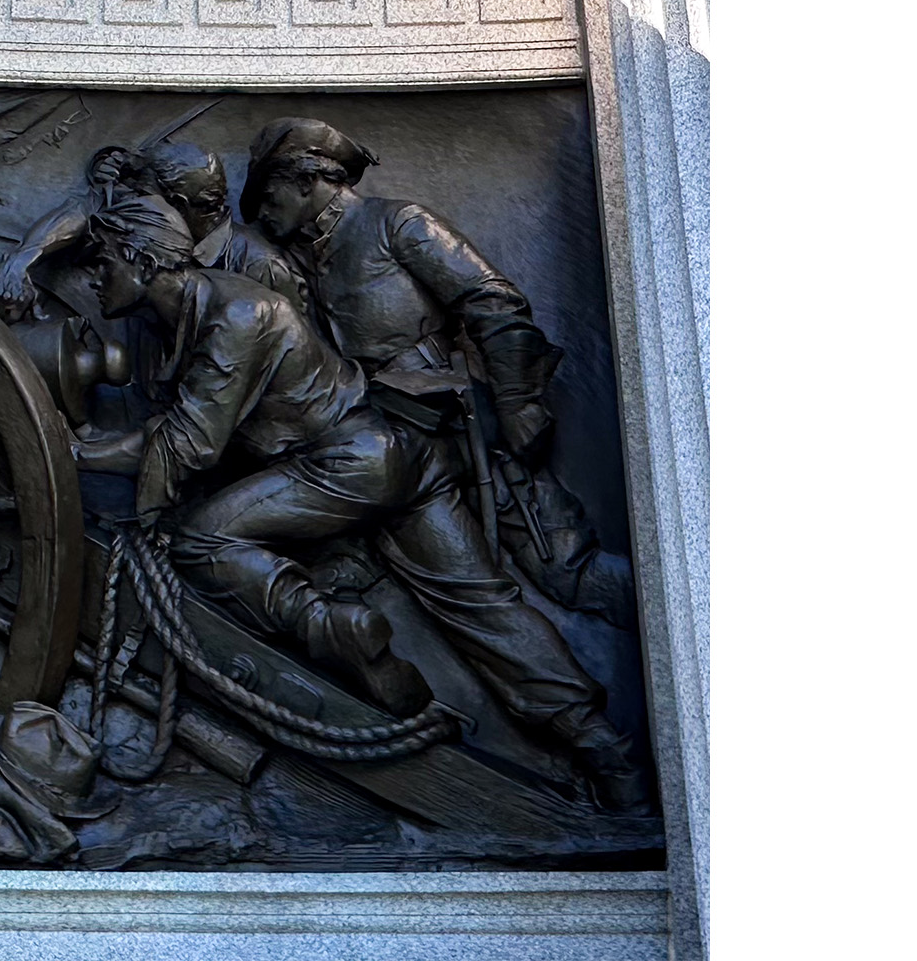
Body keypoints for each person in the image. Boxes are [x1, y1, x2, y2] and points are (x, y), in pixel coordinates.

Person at [77, 192, 643, 808]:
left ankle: (332, 628)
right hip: (396, 456)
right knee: (484, 607)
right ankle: (608, 755)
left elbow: (191, 442)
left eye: (103, 262)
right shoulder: (192, 316)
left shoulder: (236, 312)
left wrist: (73, 451)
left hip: (351, 463)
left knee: (204, 538)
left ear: (142, 260)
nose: (94, 277)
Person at [239, 118, 624, 622]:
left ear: (308, 180)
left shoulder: (398, 223)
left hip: (460, 424)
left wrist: (518, 402)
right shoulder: (297, 259)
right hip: (383, 440)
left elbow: (493, 303)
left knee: (568, 571)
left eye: (270, 197)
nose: (264, 214)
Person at [0, 139, 303, 322]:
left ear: (176, 205)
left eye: (141, 196)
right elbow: (85, 209)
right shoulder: (152, 220)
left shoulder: (262, 267)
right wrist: (21, 259)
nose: (132, 200)